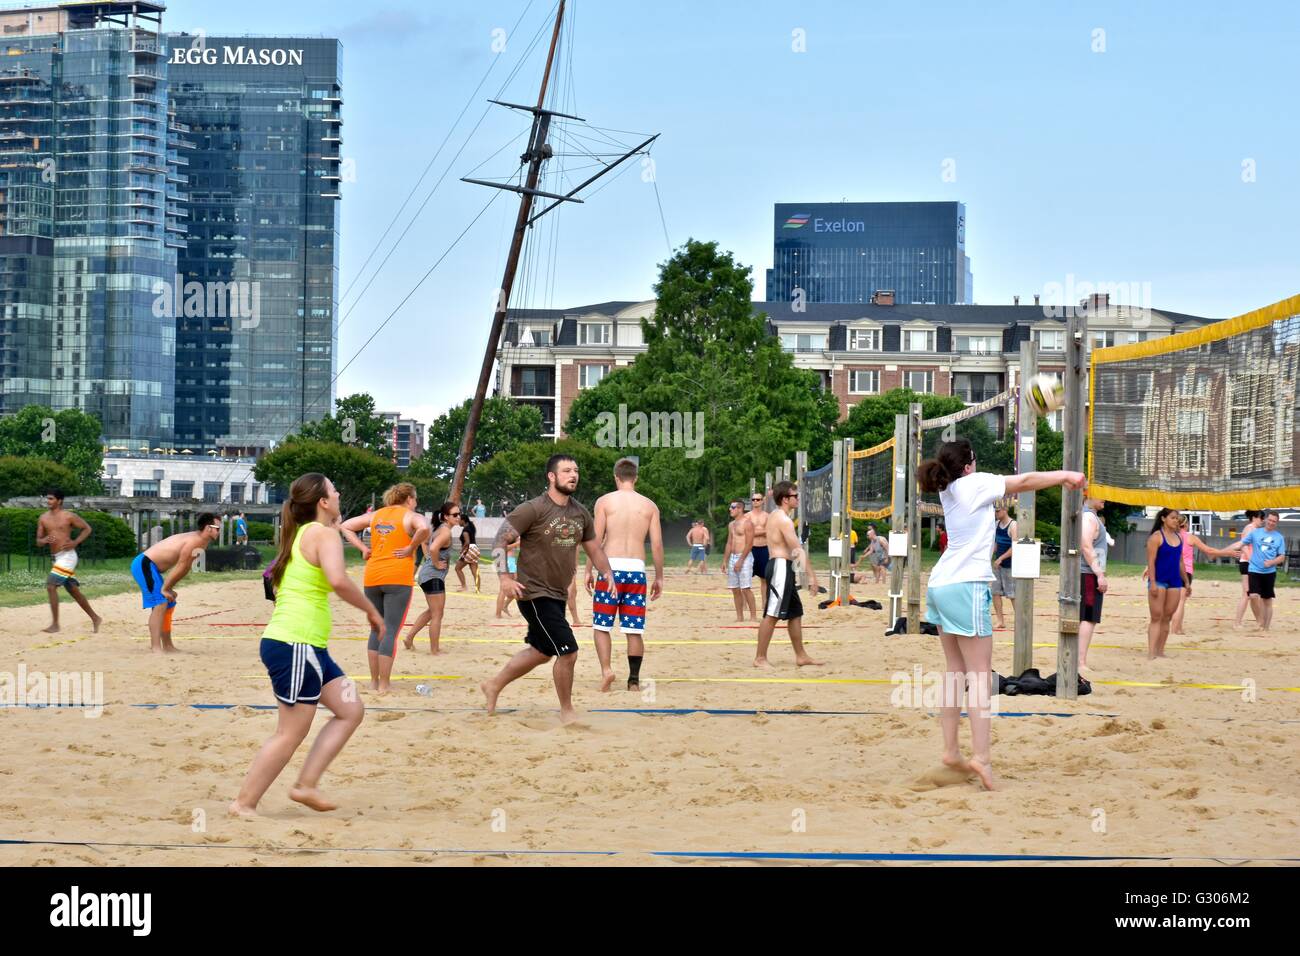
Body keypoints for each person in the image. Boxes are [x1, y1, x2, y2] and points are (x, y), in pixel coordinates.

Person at [916, 437, 1083, 791]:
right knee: (979, 677)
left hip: (941, 583)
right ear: (967, 464)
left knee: (955, 672)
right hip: (967, 585)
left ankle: (950, 751)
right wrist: (1065, 474)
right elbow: (1023, 482)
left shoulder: (948, 490)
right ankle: (981, 758)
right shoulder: (972, 484)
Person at [230, 473, 382, 817]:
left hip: (307, 647)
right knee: (290, 733)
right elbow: (339, 580)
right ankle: (243, 804)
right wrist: (372, 610)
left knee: (350, 710)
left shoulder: (304, 533)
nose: (339, 490)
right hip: (296, 645)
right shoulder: (322, 534)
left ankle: (306, 785)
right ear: (323, 502)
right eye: (333, 488)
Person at [480, 454, 618, 724]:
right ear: (552, 477)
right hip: (532, 592)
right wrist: (504, 579)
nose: (573, 475)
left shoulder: (580, 513)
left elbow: (593, 547)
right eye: (566, 470)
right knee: (568, 650)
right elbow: (500, 538)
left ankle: (493, 685)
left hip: (557, 593)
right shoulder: (533, 508)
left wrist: (607, 572)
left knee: (542, 652)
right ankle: (567, 711)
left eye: (576, 470)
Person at [339, 483, 429, 694]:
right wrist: (411, 547)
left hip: (373, 576)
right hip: (397, 577)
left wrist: (363, 548)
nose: (415, 503)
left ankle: (373, 681)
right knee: (389, 631)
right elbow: (424, 528)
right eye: (414, 499)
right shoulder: (409, 515)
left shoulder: (377, 515)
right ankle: (384, 684)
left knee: (376, 629)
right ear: (409, 499)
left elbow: (345, 526)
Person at [587, 457, 664, 691]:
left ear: (616, 477)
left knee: (602, 625)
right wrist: (659, 576)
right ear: (636, 477)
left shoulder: (605, 502)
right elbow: (657, 545)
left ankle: (607, 670)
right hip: (636, 570)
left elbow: (595, 539)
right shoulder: (650, 506)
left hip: (609, 569)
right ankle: (633, 680)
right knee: (634, 628)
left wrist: (589, 569)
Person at [754, 481, 821, 668]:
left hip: (783, 567)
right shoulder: (783, 520)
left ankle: (801, 656)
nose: (798, 499)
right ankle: (760, 658)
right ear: (785, 499)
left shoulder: (776, 515)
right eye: (795, 496)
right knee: (772, 614)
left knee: (795, 613)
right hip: (780, 567)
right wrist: (812, 576)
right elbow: (797, 550)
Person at [130, 513, 221, 652]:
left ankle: (167, 646)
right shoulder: (196, 541)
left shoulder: (202, 540)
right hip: (144, 564)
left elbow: (185, 567)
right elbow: (182, 566)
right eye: (218, 528)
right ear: (208, 528)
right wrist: (166, 588)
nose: (219, 531)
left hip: (150, 566)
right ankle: (156, 648)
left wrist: (168, 588)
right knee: (160, 602)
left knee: (169, 603)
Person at [36, 490, 102, 634]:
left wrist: (75, 542)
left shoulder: (69, 516)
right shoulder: (43, 518)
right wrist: (44, 540)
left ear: (59, 501)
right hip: (56, 558)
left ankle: (55, 624)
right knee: (73, 591)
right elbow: (38, 541)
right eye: (47, 498)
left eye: (51, 499)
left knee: (51, 585)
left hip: (68, 556)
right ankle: (95, 618)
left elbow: (87, 528)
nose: (48, 501)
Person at [1213, 510, 1287, 632]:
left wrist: (1270, 562)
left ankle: (1262, 624)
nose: (1266, 521)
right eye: (1265, 519)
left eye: (1273, 521)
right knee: (1250, 595)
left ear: (1277, 523)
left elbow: (1281, 556)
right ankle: (1248, 621)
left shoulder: (1277, 537)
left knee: (1261, 598)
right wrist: (1221, 553)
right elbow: (1241, 544)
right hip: (1251, 565)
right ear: (1256, 518)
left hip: (1265, 569)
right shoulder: (1252, 529)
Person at [403, 502, 461, 655]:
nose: (458, 517)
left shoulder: (439, 528)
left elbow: (424, 541)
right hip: (432, 576)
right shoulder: (445, 532)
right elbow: (434, 548)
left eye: (459, 514)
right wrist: (435, 562)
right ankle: (434, 650)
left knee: (432, 611)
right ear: (446, 517)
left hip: (428, 575)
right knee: (437, 614)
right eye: (455, 515)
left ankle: (409, 638)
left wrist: (429, 557)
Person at [1144, 507, 1187, 660]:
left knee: (1167, 617)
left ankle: (1159, 651)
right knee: (1156, 617)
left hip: (1175, 581)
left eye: (1177, 518)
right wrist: (1153, 583)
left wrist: (1186, 582)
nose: (1176, 520)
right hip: (1159, 580)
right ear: (1163, 519)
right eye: (1173, 517)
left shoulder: (1179, 537)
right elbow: (1151, 562)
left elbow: (1181, 562)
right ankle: (1151, 653)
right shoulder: (1156, 537)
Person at [1170, 515, 1219, 635]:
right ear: (1186, 525)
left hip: (1171, 570)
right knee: (1181, 601)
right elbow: (1208, 550)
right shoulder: (1190, 537)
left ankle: (1178, 628)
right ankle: (1175, 630)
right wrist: (1222, 552)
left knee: (1175, 601)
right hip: (1185, 570)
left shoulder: (1171, 536)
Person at [1079, 493, 1109, 670]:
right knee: (1088, 617)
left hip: (1088, 572)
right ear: (1087, 494)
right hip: (1088, 573)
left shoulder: (1090, 516)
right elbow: (1086, 546)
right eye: (1101, 493)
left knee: (1087, 617)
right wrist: (1099, 573)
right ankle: (1080, 662)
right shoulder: (1088, 516)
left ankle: (1079, 660)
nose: (1105, 497)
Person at [723, 500, 756, 622]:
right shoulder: (731, 524)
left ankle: (753, 617)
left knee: (745, 588)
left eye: (732, 507)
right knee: (735, 589)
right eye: (730, 507)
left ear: (740, 508)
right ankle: (740, 617)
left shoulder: (747, 523)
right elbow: (729, 543)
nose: (730, 509)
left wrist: (741, 560)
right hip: (733, 557)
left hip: (745, 557)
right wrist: (725, 560)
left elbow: (749, 543)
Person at [1231, 511, 1263, 628]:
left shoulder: (1255, 530)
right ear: (1254, 518)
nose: (1262, 520)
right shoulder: (1249, 528)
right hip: (1247, 563)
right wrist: (1251, 559)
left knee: (1253, 594)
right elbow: (1243, 545)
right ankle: (1237, 623)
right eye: (1261, 518)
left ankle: (1259, 621)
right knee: (1246, 594)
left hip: (1251, 564)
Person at [990, 506, 1016, 631]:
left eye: (997, 511)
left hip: (1010, 565)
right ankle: (1000, 621)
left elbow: (1015, 546)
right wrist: (990, 555)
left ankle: (1020, 619)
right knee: (995, 592)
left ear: (1005, 510)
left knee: (1012, 594)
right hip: (997, 564)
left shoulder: (1013, 525)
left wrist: (1001, 558)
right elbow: (995, 543)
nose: (995, 513)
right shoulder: (996, 524)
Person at [748, 491, 772, 606]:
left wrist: (754, 532)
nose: (755, 501)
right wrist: (761, 532)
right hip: (751, 548)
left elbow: (770, 532)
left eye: (758, 499)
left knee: (764, 578)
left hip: (764, 548)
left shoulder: (767, 516)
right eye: (753, 499)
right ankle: (745, 604)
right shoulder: (747, 516)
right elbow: (746, 533)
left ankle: (764, 603)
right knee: (746, 578)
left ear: (762, 501)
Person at [454, 516, 481, 592]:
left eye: (459, 520)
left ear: (463, 520)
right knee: (475, 571)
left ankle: (464, 586)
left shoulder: (465, 530)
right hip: (475, 548)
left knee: (457, 568)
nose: (458, 522)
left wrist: (462, 551)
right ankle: (478, 589)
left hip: (469, 549)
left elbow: (467, 542)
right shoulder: (471, 527)